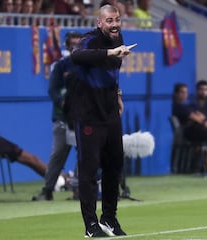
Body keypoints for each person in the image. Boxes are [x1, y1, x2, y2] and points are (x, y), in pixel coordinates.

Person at [68, 4, 130, 238]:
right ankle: (91, 226)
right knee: (89, 170)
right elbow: (77, 56)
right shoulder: (89, 40)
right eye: (110, 21)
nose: (114, 25)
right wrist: (110, 53)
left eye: (117, 20)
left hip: (110, 112)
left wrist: (118, 95)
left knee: (114, 168)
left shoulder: (118, 38)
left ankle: (109, 219)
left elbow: (112, 73)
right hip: (88, 115)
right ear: (99, 23)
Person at [32, 31, 82, 202]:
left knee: (83, 153)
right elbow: (53, 90)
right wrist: (64, 103)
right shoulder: (61, 66)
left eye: (78, 43)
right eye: (72, 44)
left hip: (82, 117)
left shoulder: (88, 67)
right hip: (62, 117)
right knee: (58, 154)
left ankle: (78, 189)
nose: (75, 47)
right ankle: (47, 189)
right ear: (67, 46)